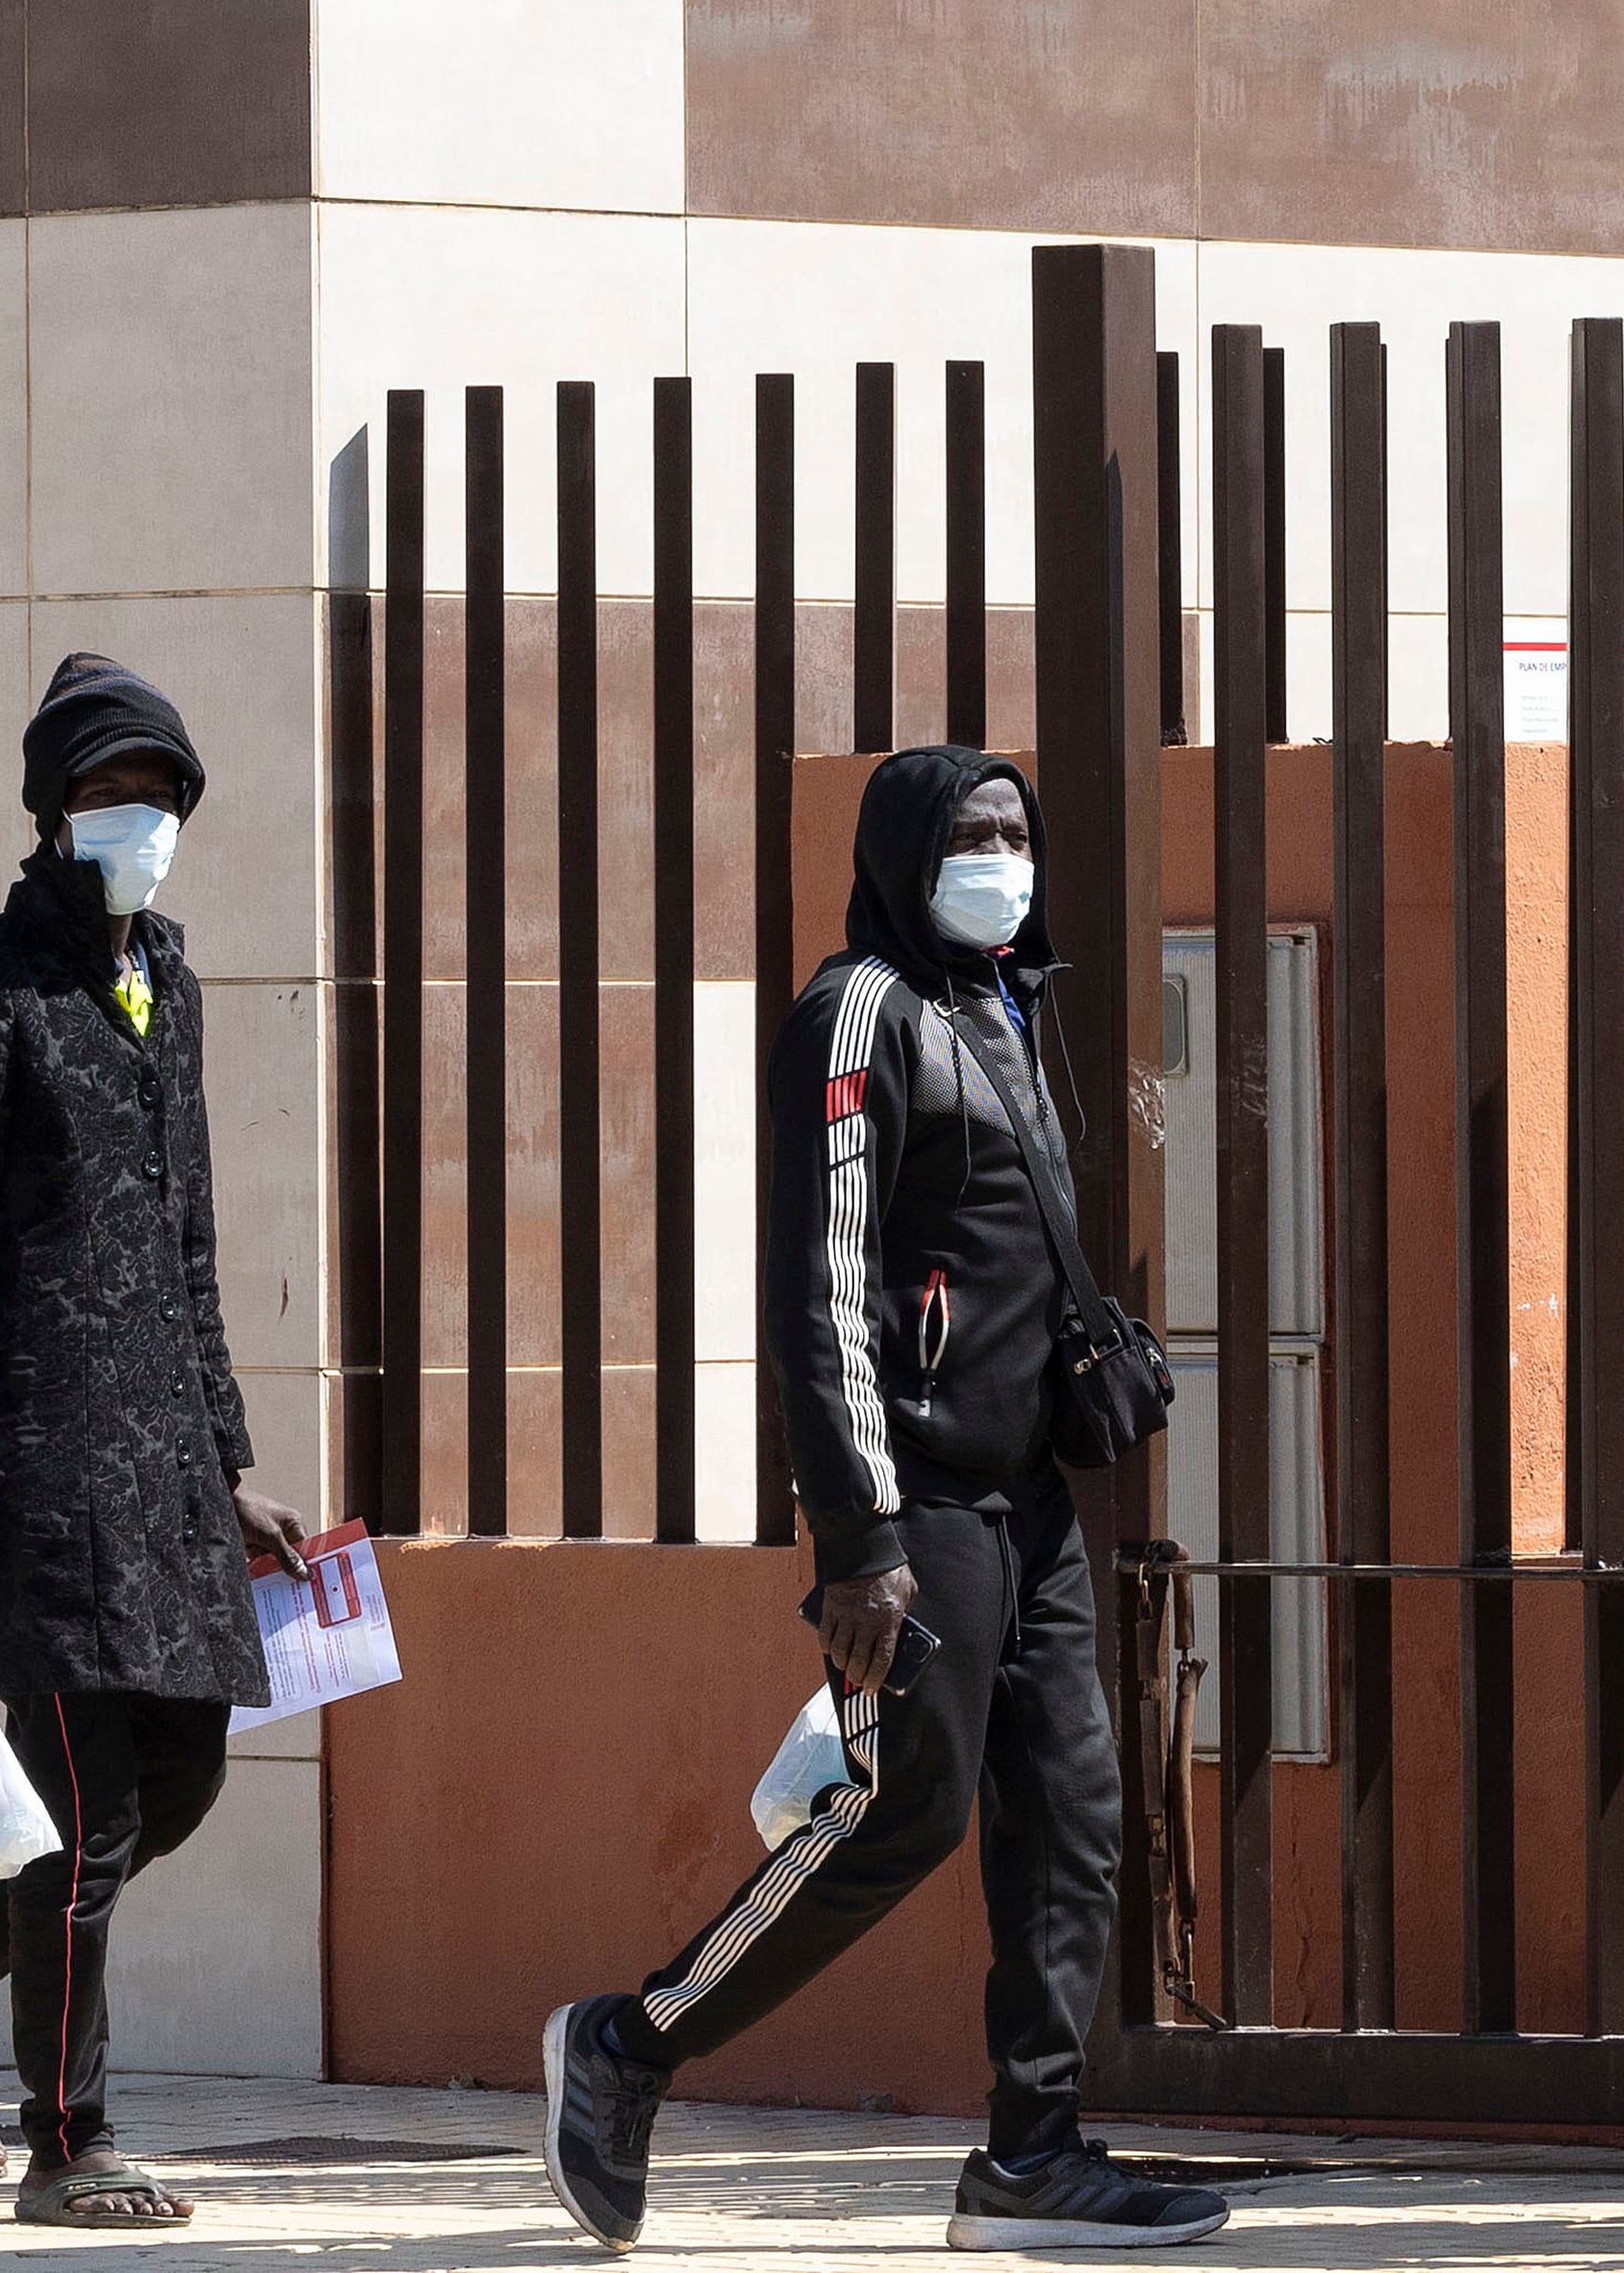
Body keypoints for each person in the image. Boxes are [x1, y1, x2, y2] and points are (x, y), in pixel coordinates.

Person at [537, 748, 1227, 2256]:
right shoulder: (856, 1009)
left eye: (1016, 830)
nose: (1002, 855)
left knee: (1076, 1813)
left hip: (1025, 1500)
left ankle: (1032, 2157)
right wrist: (857, 1535)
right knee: (902, 1808)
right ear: (907, 853)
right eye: (972, 833)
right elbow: (821, 1283)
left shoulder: (1004, 1006)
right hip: (912, 1506)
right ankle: (627, 2043)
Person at [0, 652, 307, 2234]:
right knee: (86, 1807)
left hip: (164, 1468)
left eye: (161, 792)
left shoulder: (170, 975)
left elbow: (193, 1248)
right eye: (109, 792)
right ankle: (70, 2138)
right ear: (50, 808)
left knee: (183, 1775)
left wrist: (230, 1464)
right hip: (37, 1470)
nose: (141, 818)